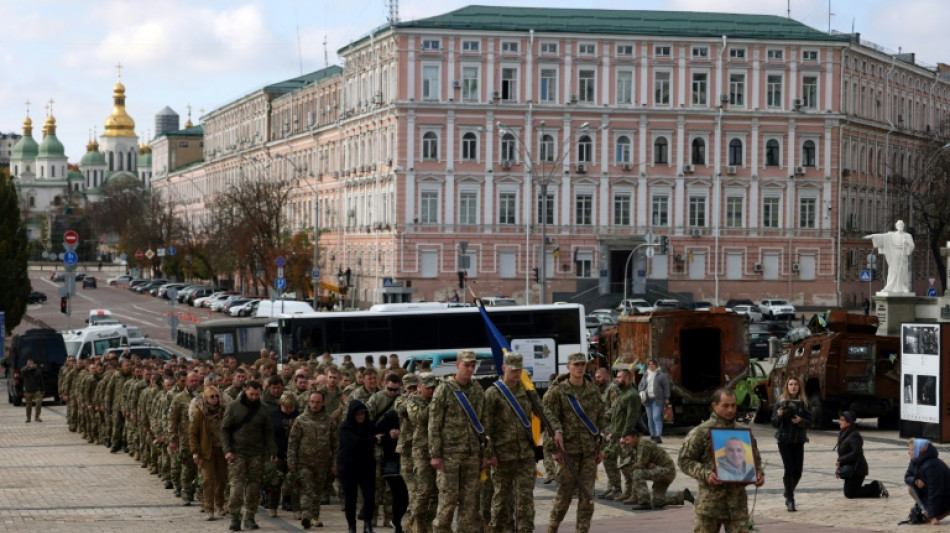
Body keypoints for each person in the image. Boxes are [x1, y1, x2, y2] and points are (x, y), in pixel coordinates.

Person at [678, 388, 764, 533]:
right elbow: (684, 460)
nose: (730, 410)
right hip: (709, 505)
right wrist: (706, 474)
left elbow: (756, 461)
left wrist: (758, 474)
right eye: (725, 405)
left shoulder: (742, 433)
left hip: (737, 507)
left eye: (733, 405)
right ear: (714, 405)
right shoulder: (701, 432)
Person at [484, 353, 548, 533]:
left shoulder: (527, 391)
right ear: (504, 368)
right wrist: (490, 454)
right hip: (502, 455)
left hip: (525, 454)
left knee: (525, 499)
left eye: (519, 369)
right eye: (513, 369)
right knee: (501, 499)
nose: (516, 373)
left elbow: (544, 413)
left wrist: (556, 430)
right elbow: (485, 427)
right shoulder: (493, 393)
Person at [543, 352, 607, 533]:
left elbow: (600, 419)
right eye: (576, 365)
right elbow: (548, 421)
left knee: (588, 496)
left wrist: (600, 447)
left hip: (588, 452)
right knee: (564, 496)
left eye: (582, 365)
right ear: (568, 367)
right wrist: (553, 450)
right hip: (567, 452)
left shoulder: (592, 390)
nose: (579, 368)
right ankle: (552, 528)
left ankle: (582, 530)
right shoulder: (558, 391)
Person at [428, 350, 486, 533]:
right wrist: (435, 455)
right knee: (448, 500)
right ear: (457, 365)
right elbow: (434, 424)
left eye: (472, 365)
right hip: (449, 455)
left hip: (471, 453)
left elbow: (484, 423)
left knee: (470, 500)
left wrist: (485, 453)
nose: (470, 369)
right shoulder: (444, 389)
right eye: (466, 365)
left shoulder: (477, 389)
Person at [222, 379, 277, 531]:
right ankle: (235, 517)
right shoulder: (233, 407)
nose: (254, 397)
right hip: (236, 452)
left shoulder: (263, 409)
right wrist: (227, 450)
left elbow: (268, 432)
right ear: (245, 391)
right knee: (237, 488)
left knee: (253, 488)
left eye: (257, 394)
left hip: (256, 453)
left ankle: (250, 517)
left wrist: (272, 451)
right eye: (251, 394)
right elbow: (225, 430)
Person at [289, 391, 339, 529]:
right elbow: (293, 443)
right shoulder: (301, 420)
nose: (315, 405)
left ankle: (315, 517)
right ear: (308, 402)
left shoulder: (330, 421)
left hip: (322, 463)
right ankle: (306, 515)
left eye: (318, 402)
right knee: (306, 488)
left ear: (323, 403)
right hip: (304, 462)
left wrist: (335, 463)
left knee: (317, 491)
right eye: (312, 402)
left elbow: (335, 444)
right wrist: (292, 462)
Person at [619, 428, 692, 510]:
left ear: (635, 437)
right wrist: (623, 445)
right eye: (625, 440)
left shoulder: (643, 444)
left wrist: (632, 466)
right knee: (657, 502)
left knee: (637, 472)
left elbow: (640, 464)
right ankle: (682, 496)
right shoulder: (636, 445)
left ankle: (644, 502)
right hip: (663, 471)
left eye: (628, 440)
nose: (626, 442)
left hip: (666, 471)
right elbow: (629, 458)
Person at [771, 377, 811, 511]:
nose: (793, 387)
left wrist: (801, 420)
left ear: (799, 387)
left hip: (798, 440)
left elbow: (811, 422)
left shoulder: (804, 403)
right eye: (790, 384)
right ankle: (790, 499)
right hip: (784, 440)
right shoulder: (780, 403)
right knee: (789, 469)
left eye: (795, 384)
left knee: (798, 472)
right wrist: (779, 415)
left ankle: (788, 491)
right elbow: (774, 423)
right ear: (786, 387)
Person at [338, 400, 378, 533]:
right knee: (350, 498)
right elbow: (353, 443)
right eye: (358, 414)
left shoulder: (369, 426)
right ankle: (352, 526)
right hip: (348, 468)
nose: (361, 417)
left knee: (369, 497)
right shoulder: (346, 427)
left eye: (363, 414)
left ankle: (368, 524)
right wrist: (372, 440)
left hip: (366, 467)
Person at [189, 384, 227, 520]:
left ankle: (220, 504)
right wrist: (194, 451)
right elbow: (192, 433)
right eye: (212, 396)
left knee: (222, 479)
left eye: (217, 396)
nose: (215, 399)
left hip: (222, 450)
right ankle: (209, 508)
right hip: (207, 451)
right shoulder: (199, 412)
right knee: (208, 480)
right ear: (206, 398)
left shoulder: (224, 411)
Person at [835, 411, 887, 499]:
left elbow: (856, 452)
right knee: (849, 492)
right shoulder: (844, 434)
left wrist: (841, 460)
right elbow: (845, 453)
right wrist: (840, 468)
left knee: (850, 493)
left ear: (848, 422)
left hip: (858, 469)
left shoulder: (854, 435)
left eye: (842, 420)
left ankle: (876, 486)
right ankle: (875, 489)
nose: (840, 422)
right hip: (850, 468)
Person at [376, 406, 409, 533]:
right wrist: (390, 436)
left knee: (406, 495)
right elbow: (378, 437)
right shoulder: (391, 417)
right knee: (398, 494)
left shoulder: (417, 415)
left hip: (410, 461)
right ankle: (396, 522)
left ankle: (398, 521)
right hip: (392, 462)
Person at [267, 392, 300, 518]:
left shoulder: (298, 415)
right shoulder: (273, 415)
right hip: (277, 454)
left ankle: (297, 510)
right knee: (275, 483)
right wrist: (271, 451)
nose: (288, 410)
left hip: (294, 454)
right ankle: (272, 507)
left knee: (295, 483)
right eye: (286, 408)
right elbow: (269, 435)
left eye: (291, 408)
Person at [905, 438, 950, 525]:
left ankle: (933, 514)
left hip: (946, 496)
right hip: (930, 494)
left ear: (921, 450)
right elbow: (907, 477)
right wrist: (915, 481)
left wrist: (933, 517)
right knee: (911, 488)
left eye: (911, 449)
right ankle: (930, 512)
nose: (908, 452)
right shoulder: (915, 461)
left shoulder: (932, 466)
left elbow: (935, 492)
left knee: (931, 516)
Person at [864, 219, 915, 294]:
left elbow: (912, 245)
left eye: (901, 225)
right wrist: (872, 236)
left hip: (902, 254)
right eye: (899, 225)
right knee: (893, 270)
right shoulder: (892, 235)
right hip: (894, 254)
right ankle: (890, 286)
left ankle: (904, 287)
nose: (900, 226)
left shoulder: (907, 236)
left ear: (903, 226)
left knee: (902, 271)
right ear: (896, 226)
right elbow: (883, 237)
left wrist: (907, 242)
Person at [638, 359, 670, 443]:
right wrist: (641, 391)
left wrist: (667, 397)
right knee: (650, 418)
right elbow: (640, 385)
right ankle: (652, 434)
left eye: (653, 364)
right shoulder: (645, 375)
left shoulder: (661, 375)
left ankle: (658, 435)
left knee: (656, 417)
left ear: (656, 365)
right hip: (647, 400)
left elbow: (666, 387)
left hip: (657, 399)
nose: (651, 366)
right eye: (650, 364)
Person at [21, 358, 44, 423]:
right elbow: (21, 371)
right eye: (29, 363)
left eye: (31, 363)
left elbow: (41, 380)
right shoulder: (25, 371)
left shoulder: (37, 370)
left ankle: (37, 417)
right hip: (28, 391)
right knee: (28, 405)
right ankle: (28, 418)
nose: (30, 364)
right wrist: (27, 366)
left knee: (39, 403)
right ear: (27, 363)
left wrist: (43, 389)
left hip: (36, 390)